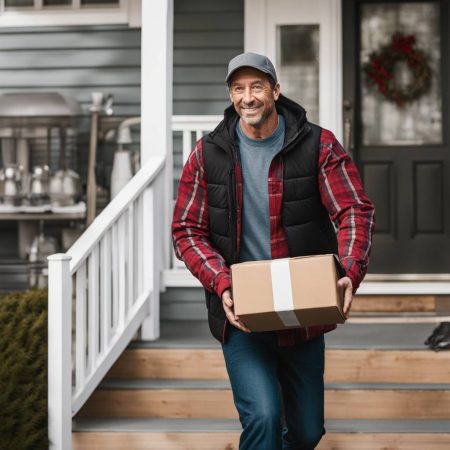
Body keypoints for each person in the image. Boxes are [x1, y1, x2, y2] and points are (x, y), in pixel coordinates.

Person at [172, 52, 375, 450]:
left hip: (304, 309)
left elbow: (354, 210)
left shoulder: (319, 145)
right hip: (242, 311)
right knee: (263, 419)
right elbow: (186, 230)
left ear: (276, 91)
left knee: (306, 432)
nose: (247, 97)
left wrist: (349, 269)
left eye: (257, 86)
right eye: (238, 88)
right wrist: (222, 283)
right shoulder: (207, 154)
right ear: (231, 96)